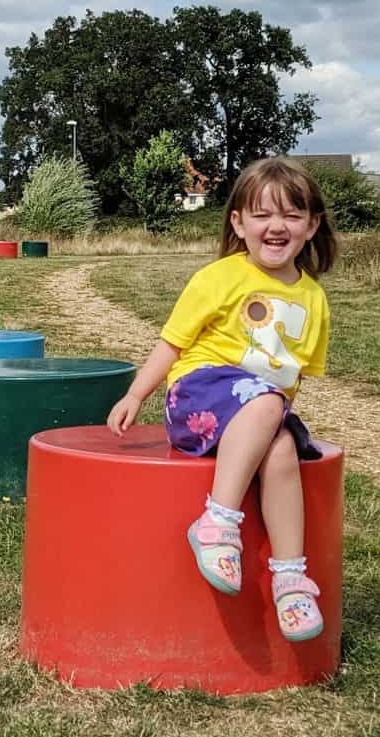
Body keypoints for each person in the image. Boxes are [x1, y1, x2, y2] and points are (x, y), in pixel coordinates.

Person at [107, 156, 336, 642]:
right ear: (238, 222)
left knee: (281, 447)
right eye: (262, 215)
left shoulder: (313, 298)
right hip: (197, 398)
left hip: (258, 410)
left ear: (312, 225)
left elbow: (290, 377)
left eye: (292, 216)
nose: (277, 227)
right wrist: (135, 394)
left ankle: (290, 577)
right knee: (269, 405)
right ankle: (218, 523)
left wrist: (272, 424)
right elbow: (172, 343)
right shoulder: (219, 278)